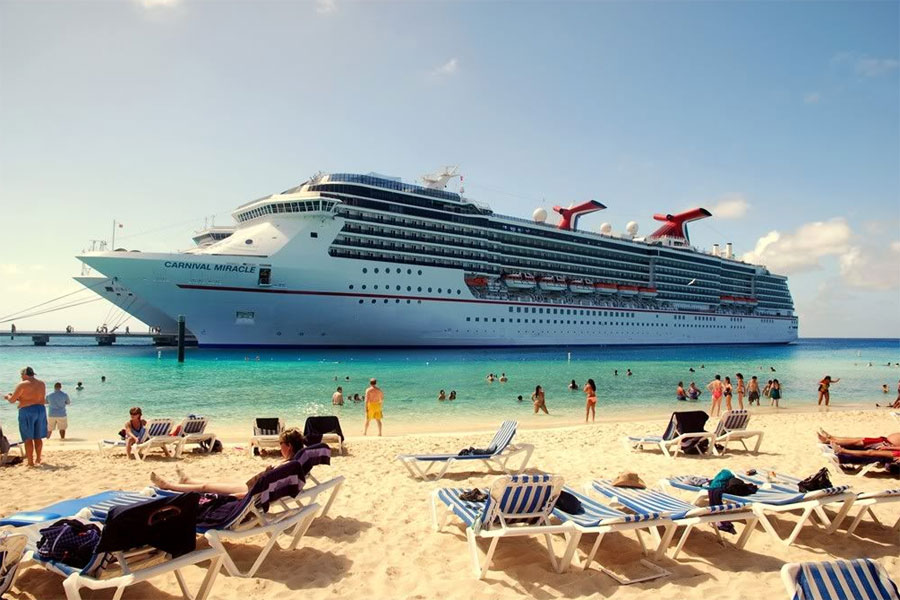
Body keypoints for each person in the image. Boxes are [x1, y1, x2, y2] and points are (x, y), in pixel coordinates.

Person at [151, 428, 306, 497]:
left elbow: (258, 492)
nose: (280, 448)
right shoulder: (292, 464)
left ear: (289, 446)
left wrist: (237, 496)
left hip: (248, 491)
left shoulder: (286, 466)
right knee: (211, 483)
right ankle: (187, 480)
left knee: (206, 487)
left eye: (281, 444)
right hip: (250, 486)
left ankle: (168, 486)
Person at [4, 367, 47, 467]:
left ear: (24, 374)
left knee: (28, 438)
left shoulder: (22, 384)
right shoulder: (42, 383)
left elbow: (12, 400)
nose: (21, 377)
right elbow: (37, 398)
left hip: (27, 411)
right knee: (38, 437)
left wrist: (8, 397)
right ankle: (38, 459)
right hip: (40, 410)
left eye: (21, 375)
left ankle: (30, 462)